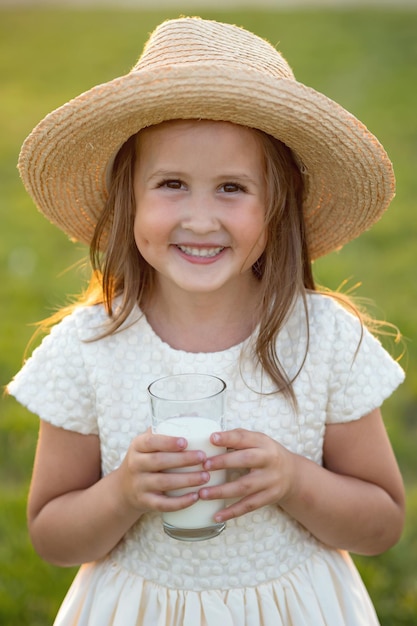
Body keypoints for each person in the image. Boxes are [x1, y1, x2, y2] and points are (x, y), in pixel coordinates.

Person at [7, 16, 405, 626]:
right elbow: (52, 537)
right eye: (171, 184)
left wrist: (295, 481)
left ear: (278, 208)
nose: (199, 218)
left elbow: (382, 523)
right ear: (127, 199)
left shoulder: (322, 338)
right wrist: (121, 494)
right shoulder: (89, 346)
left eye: (231, 188)